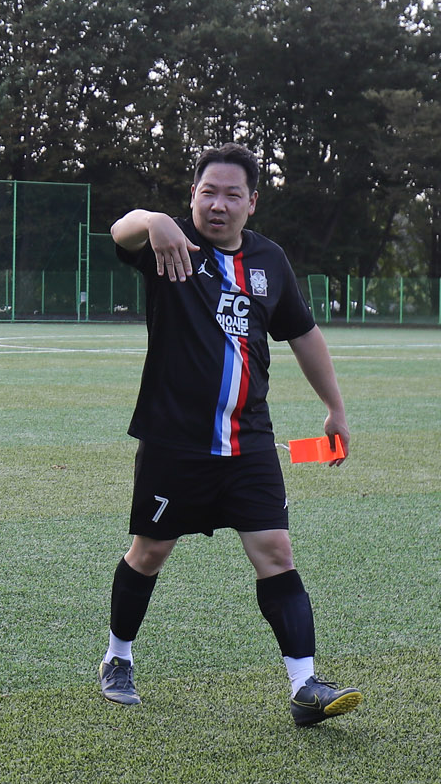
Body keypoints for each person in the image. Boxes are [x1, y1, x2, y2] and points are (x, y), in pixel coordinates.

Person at [98, 143, 359, 727]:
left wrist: (335, 408)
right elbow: (121, 231)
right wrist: (155, 220)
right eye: (207, 192)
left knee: (275, 552)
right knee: (150, 552)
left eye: (231, 194)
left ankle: (305, 687)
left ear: (251, 203)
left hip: (249, 442)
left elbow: (304, 334)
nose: (218, 204)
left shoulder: (270, 261)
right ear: (193, 195)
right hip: (174, 441)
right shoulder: (169, 247)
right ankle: (118, 658)